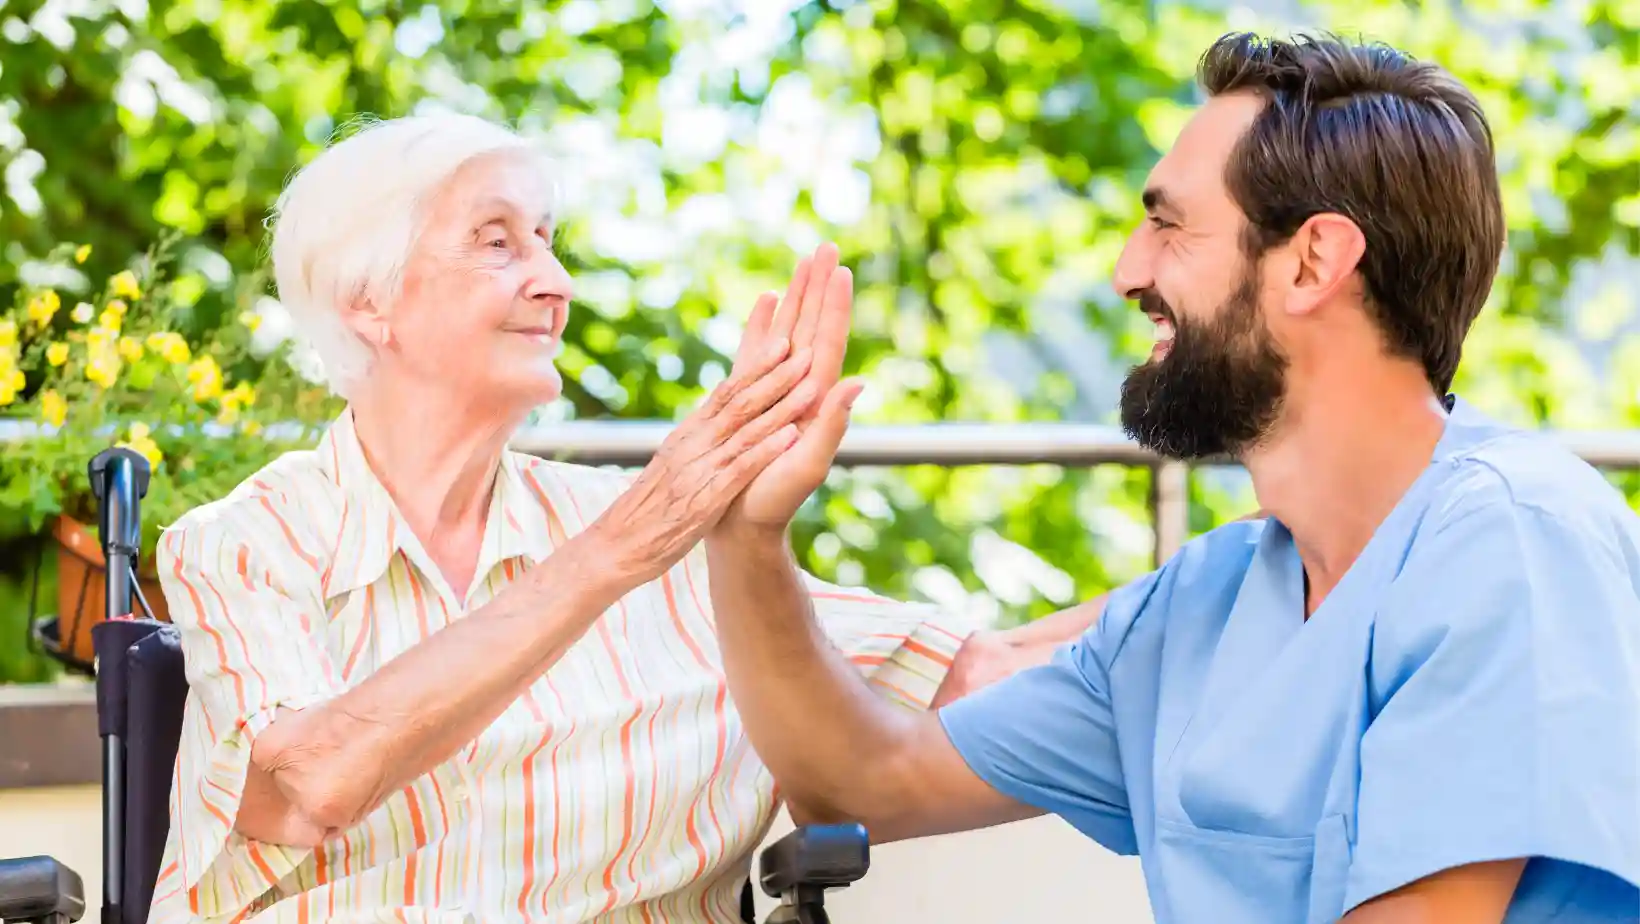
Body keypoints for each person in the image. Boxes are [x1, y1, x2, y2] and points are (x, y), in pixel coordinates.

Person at [705, 31, 1640, 924]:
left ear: (1314, 261)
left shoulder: (1514, 538)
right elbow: (865, 780)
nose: (1126, 271)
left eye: (1168, 227)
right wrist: (746, 535)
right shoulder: (1202, 606)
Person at [147, 114, 1098, 923]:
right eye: (497, 241)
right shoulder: (246, 541)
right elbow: (311, 782)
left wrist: (1233, 571)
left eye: (550, 242)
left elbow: (975, 672)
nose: (555, 282)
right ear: (370, 301)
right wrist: (620, 550)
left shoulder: (674, 539)